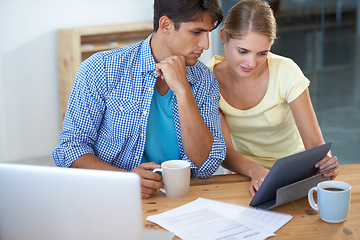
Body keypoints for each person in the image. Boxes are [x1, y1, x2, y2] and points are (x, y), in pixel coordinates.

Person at [53, 0, 225, 199]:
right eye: (196, 32)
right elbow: (71, 149)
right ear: (166, 25)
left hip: (180, 199)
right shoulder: (101, 68)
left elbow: (206, 165)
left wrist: (183, 90)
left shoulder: (204, 79)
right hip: (113, 197)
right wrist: (125, 181)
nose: (206, 44)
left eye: (208, 33)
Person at [207, 0, 339, 196]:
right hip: (243, 175)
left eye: (262, 53)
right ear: (224, 36)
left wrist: (325, 162)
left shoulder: (286, 71)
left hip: (294, 174)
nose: (251, 63)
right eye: (242, 51)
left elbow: (314, 143)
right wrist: (256, 171)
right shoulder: (208, 80)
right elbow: (225, 151)